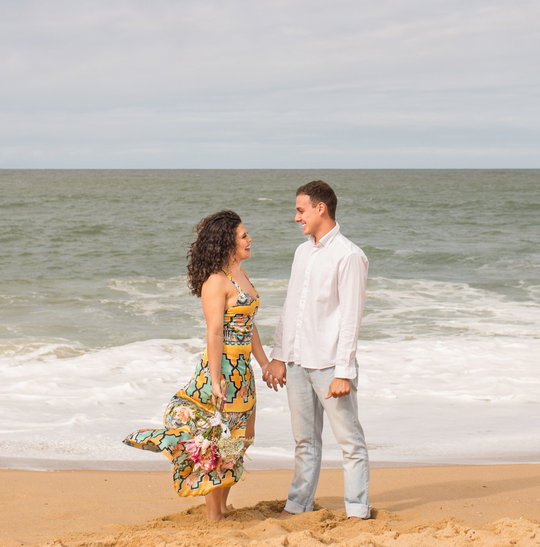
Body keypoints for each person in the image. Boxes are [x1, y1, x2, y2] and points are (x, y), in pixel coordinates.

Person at [123, 210, 271, 521]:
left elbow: (249, 324)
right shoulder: (216, 281)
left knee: (241, 438)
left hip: (243, 371)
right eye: (244, 235)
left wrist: (265, 363)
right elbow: (214, 332)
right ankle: (213, 514)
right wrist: (216, 380)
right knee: (218, 440)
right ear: (227, 242)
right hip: (222, 370)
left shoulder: (241, 275)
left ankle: (225, 504)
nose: (250, 239)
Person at [263, 180, 370, 520]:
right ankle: (298, 505)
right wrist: (279, 356)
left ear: (320, 208)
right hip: (296, 363)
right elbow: (290, 308)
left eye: (300, 210)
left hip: (328, 365)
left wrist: (344, 371)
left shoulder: (350, 256)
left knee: (350, 443)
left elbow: (351, 318)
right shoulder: (302, 252)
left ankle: (357, 510)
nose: (297, 218)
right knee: (304, 442)